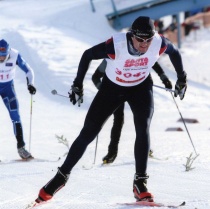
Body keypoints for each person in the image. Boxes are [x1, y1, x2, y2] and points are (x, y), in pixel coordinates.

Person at [35, 16, 187, 203]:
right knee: (89, 132)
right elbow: (87, 54)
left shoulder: (158, 42)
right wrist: (77, 85)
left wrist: (182, 78)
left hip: (140, 87)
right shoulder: (116, 45)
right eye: (140, 40)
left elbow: (175, 52)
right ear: (131, 36)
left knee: (143, 126)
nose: (144, 45)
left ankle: (140, 182)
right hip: (112, 88)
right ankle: (60, 177)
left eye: (148, 39)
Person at [92, 59, 172, 164]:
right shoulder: (111, 57)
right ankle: (112, 153)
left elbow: (153, 62)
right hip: (117, 90)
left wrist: (164, 78)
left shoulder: (139, 52)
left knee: (142, 119)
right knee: (118, 119)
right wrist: (104, 90)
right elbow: (95, 77)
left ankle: (145, 148)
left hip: (138, 90)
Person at [0, 39, 36, 159]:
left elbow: (29, 70)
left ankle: (21, 148)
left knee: (15, 115)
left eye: (3, 56)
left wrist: (30, 84)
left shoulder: (15, 55)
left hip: (7, 88)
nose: (1, 59)